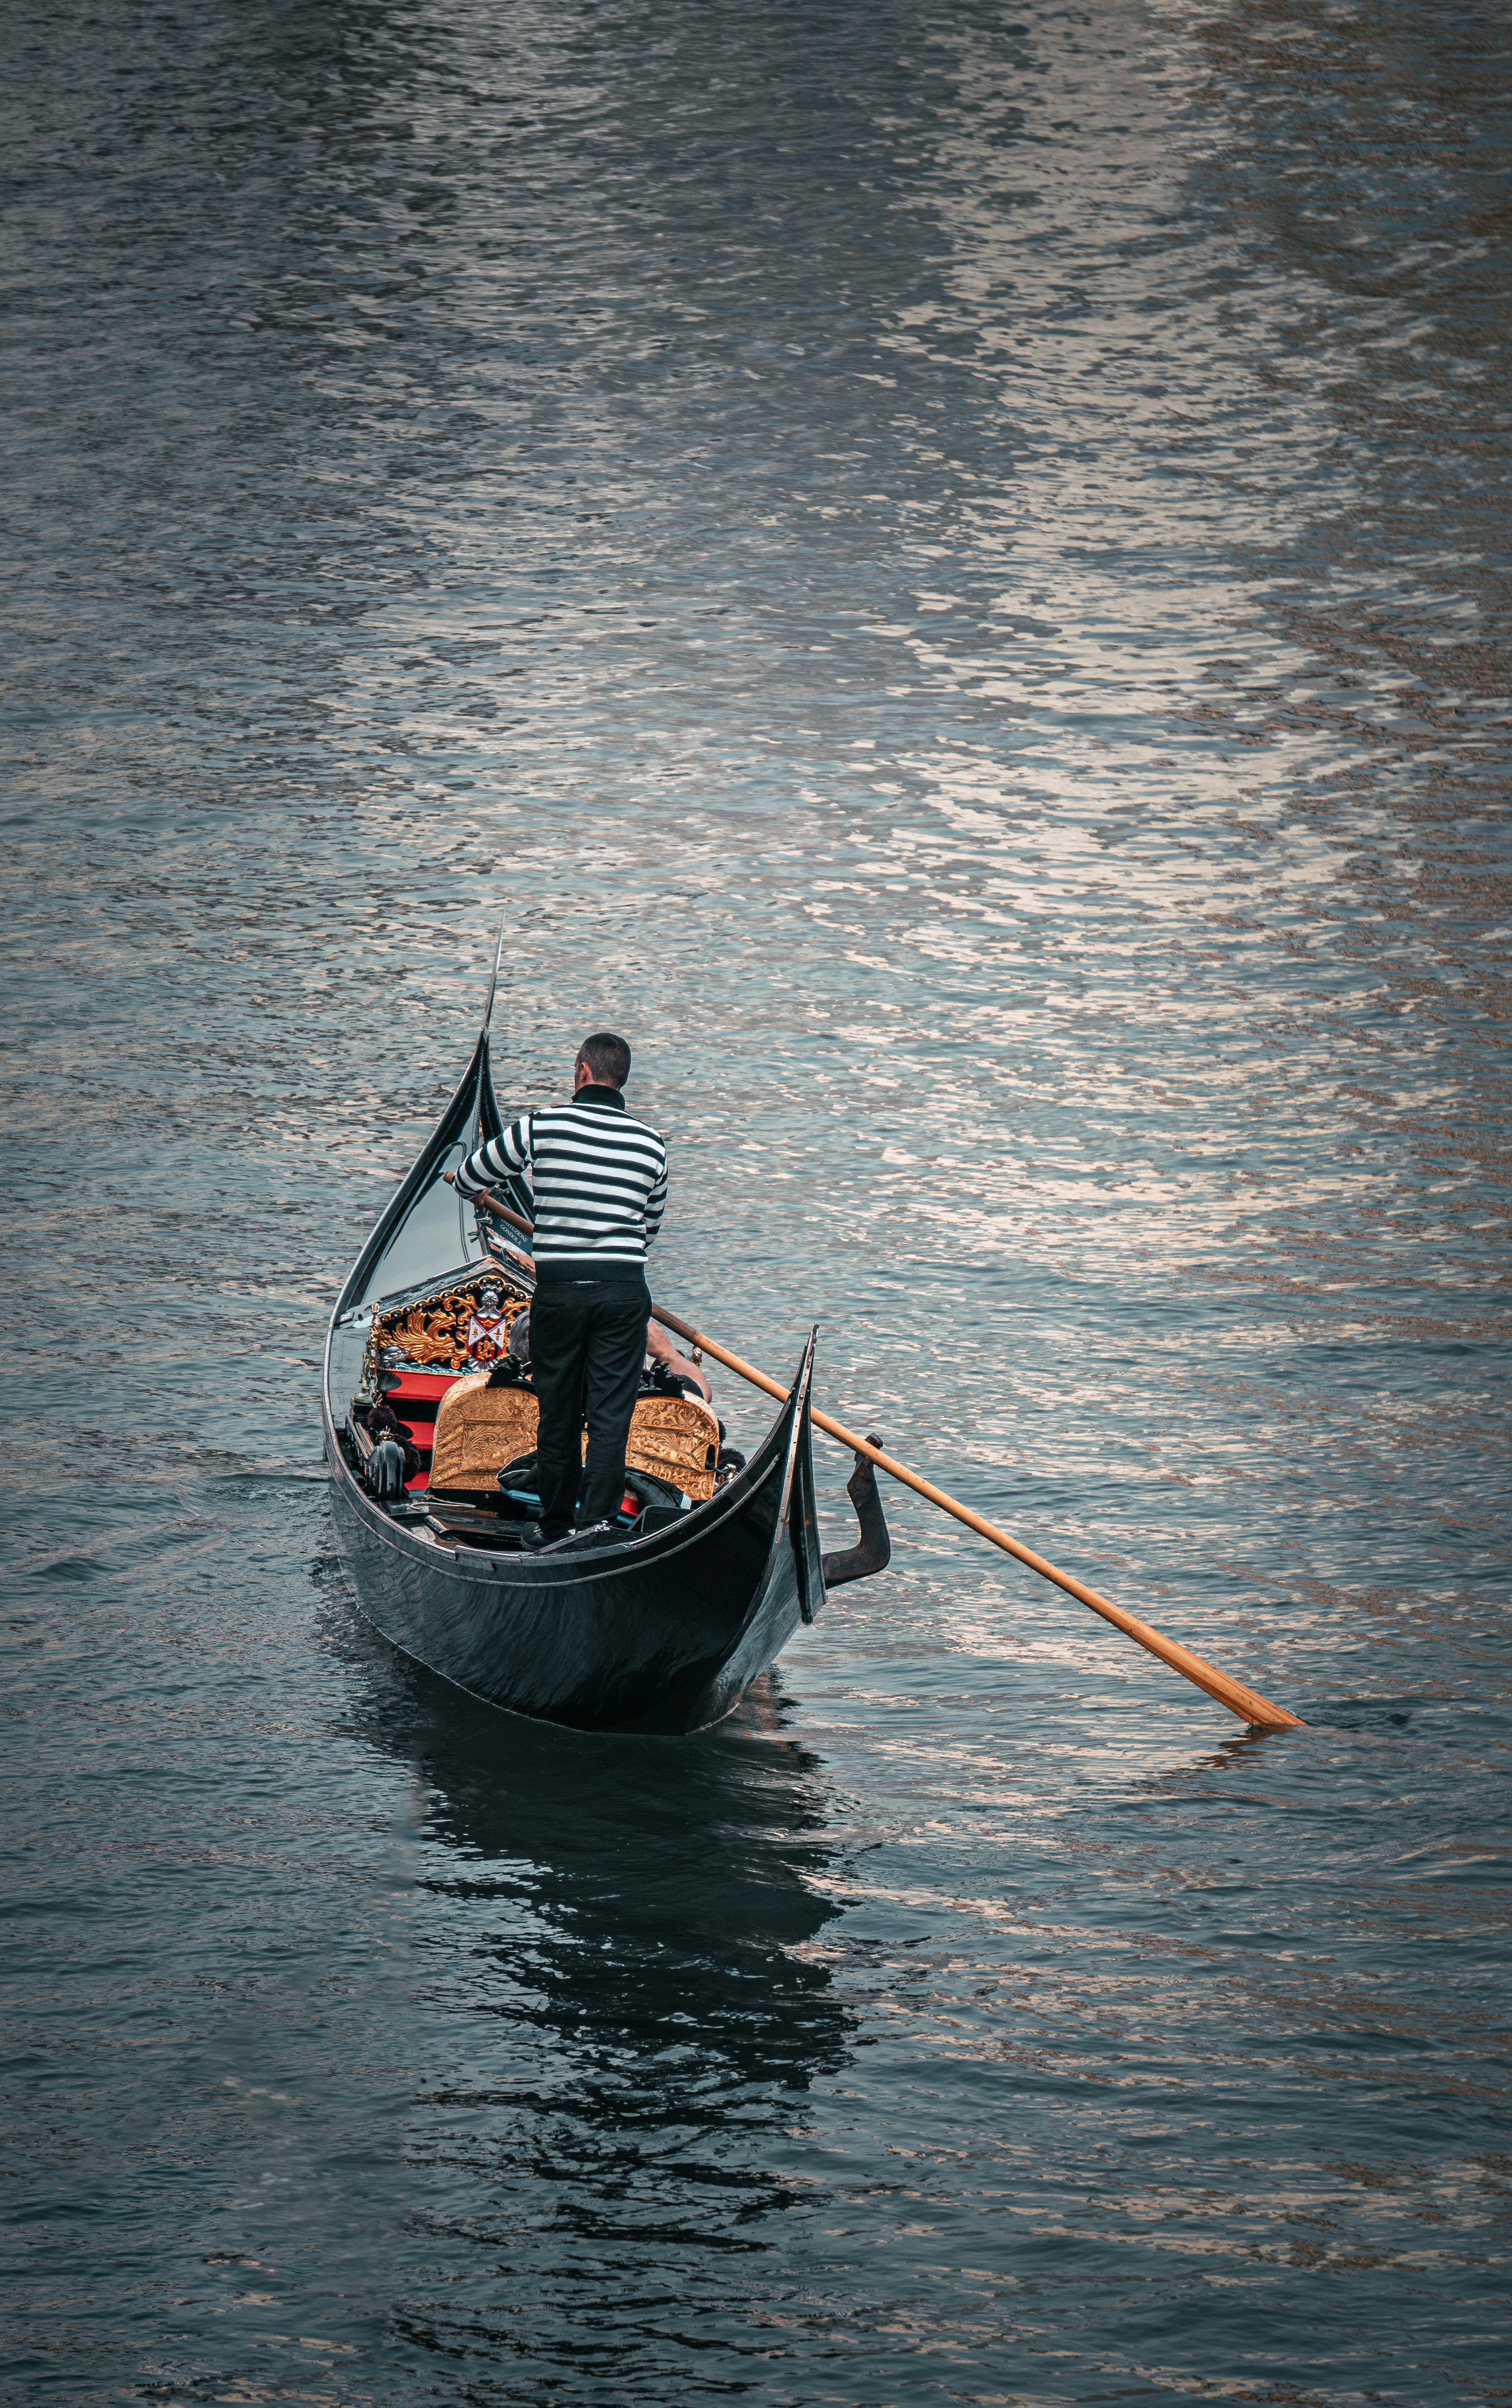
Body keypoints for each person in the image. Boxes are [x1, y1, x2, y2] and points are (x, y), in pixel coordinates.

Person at [454, 1031, 667, 1547]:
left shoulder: (543, 1124)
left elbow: (468, 1176)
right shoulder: (652, 1145)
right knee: (611, 1416)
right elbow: (648, 1229)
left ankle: (555, 1528)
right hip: (622, 1293)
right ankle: (597, 1526)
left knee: (560, 1413)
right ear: (622, 1079)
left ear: (582, 1072)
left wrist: (483, 1192)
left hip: (563, 1291)